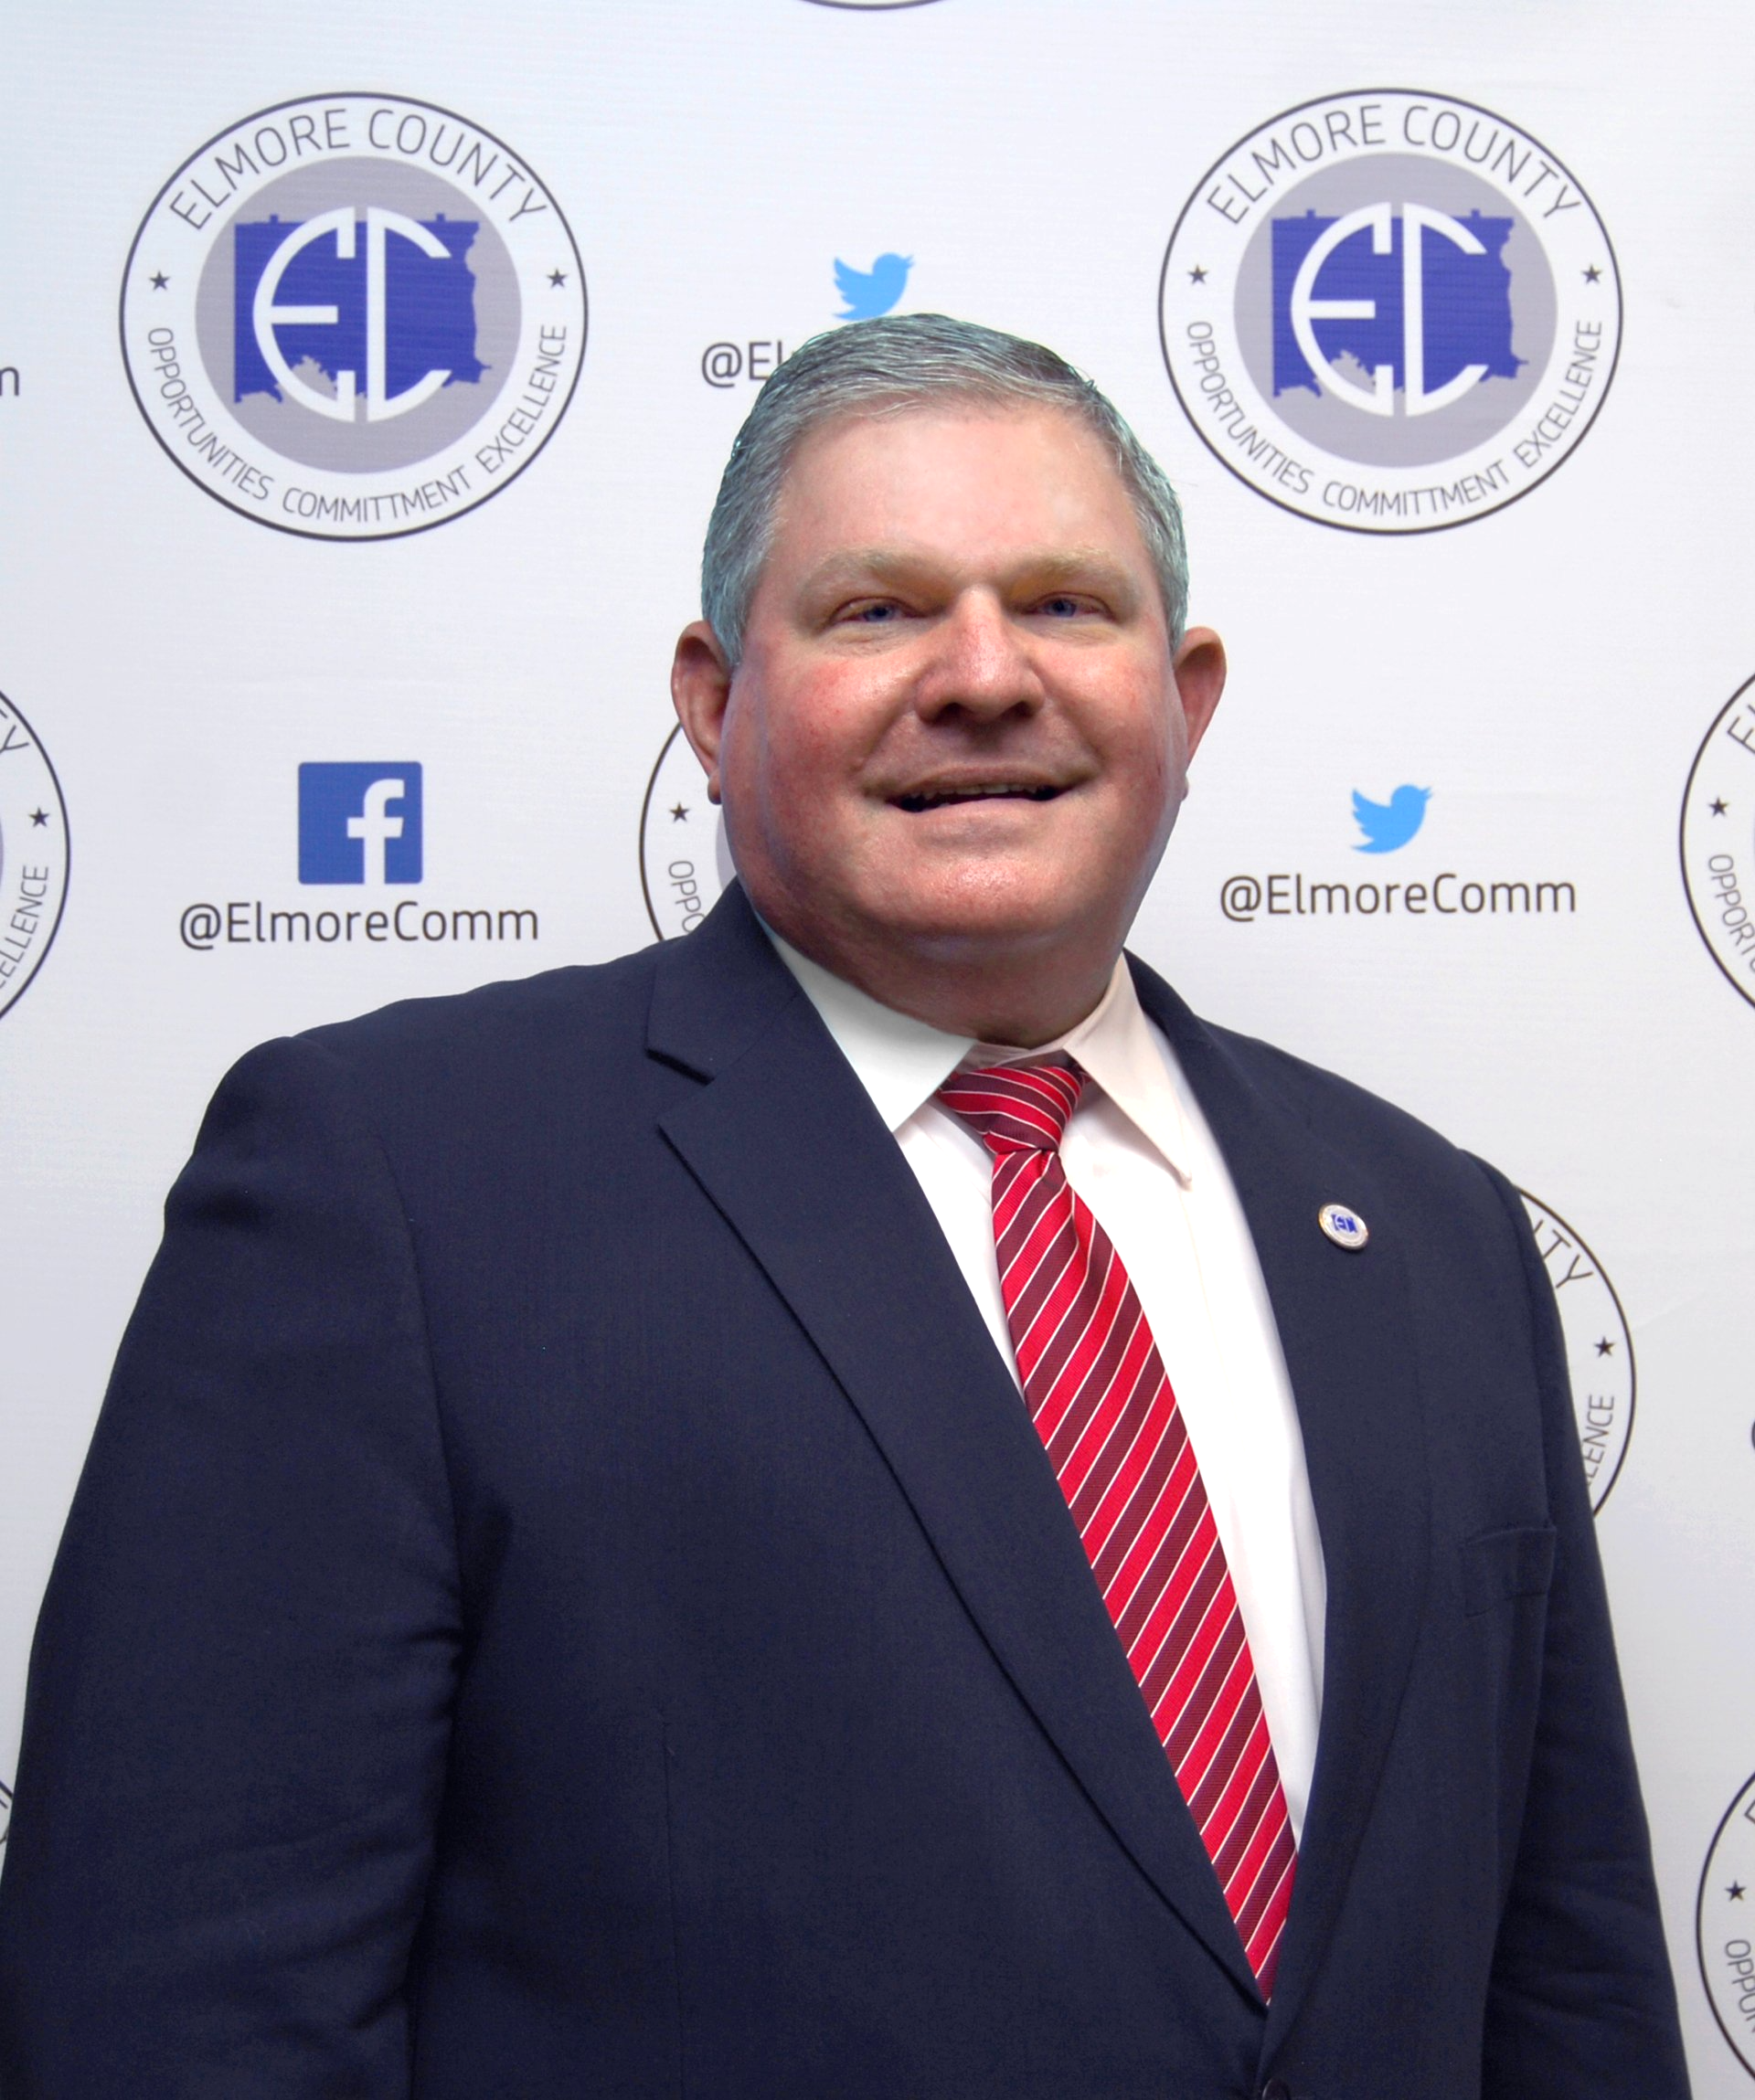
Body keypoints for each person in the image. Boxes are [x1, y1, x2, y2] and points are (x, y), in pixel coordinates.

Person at [0, 316, 1689, 2098]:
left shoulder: (1431, 1234)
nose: (982, 675)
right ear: (717, 700)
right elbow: (181, 2018)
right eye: (877, 609)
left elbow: (1564, 1982)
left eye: (1064, 604)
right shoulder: (391, 1180)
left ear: (1183, 701)